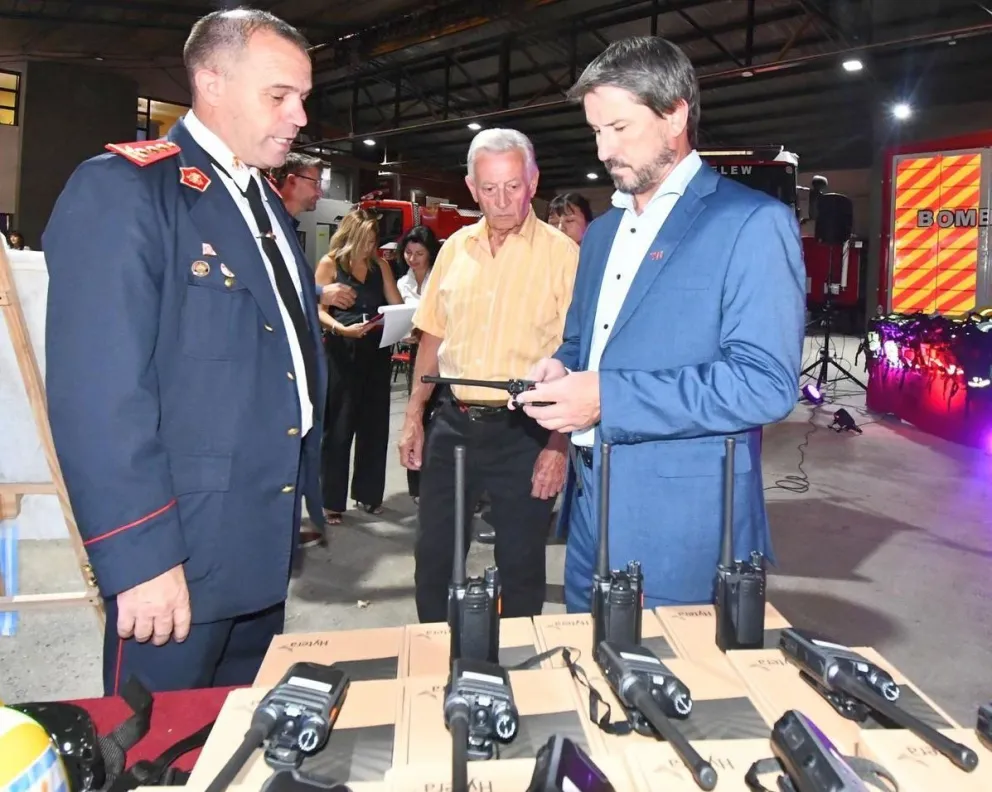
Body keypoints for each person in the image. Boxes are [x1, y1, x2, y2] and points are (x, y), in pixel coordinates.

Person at [42, 8, 326, 694]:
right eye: (279, 96)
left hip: (256, 538)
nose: (300, 117)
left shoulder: (261, 202)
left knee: (232, 743)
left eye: (304, 99)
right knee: (152, 753)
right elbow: (99, 398)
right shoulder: (129, 189)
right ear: (212, 81)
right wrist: (139, 558)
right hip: (176, 553)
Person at [514, 36, 805, 610]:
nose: (603, 149)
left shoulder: (750, 223)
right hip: (590, 504)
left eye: (619, 128)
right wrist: (562, 366)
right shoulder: (600, 235)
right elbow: (585, 342)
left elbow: (765, 384)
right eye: (596, 131)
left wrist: (608, 399)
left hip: (683, 523)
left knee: (670, 688)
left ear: (675, 114)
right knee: (592, 674)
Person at [398, 128, 580, 623]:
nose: (502, 202)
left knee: (520, 566)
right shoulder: (454, 249)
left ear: (533, 180)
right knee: (434, 558)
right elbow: (432, 336)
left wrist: (557, 447)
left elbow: (577, 356)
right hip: (452, 424)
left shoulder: (564, 257)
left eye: (514, 187)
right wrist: (414, 415)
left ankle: (519, 673)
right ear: (472, 188)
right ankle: (434, 664)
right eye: (490, 189)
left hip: (526, 431)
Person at [316, 209, 403, 523]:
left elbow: (396, 302)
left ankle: (368, 495)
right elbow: (318, 310)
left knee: (374, 427)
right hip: (342, 351)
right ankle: (331, 502)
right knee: (338, 428)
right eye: (364, 240)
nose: (370, 246)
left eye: (373, 240)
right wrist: (341, 329)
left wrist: (408, 319)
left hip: (376, 352)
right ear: (350, 236)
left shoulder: (380, 266)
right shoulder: (330, 264)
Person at [394, 225, 442, 503]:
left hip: (444, 355)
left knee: (442, 418)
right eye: (409, 253)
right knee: (416, 416)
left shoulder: (442, 277)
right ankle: (418, 486)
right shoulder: (403, 283)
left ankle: (443, 482)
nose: (413, 259)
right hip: (417, 354)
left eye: (419, 253)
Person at [269, 151, 322, 221]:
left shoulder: (283, 222)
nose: (319, 194)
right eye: (315, 183)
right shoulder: (266, 220)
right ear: (292, 180)